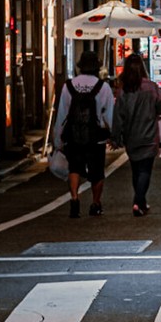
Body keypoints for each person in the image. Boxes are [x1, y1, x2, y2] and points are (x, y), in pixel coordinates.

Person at [53, 49, 115, 218]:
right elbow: (109, 114)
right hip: (97, 136)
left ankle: (74, 198)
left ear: (80, 67)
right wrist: (113, 134)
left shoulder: (68, 86)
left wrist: (57, 137)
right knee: (97, 172)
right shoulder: (104, 87)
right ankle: (95, 203)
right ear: (97, 67)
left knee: (74, 167)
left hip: (73, 134)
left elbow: (62, 114)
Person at [110, 53, 161, 217]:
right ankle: (138, 200)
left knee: (136, 168)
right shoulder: (151, 87)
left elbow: (118, 116)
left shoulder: (124, 91)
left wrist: (116, 137)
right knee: (145, 170)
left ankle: (141, 202)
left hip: (131, 135)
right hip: (149, 134)